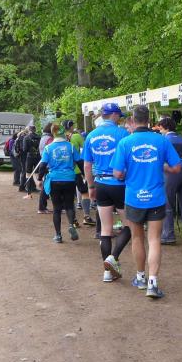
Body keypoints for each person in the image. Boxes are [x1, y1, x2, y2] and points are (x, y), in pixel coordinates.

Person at [111, 105, 182, 299]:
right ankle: (153, 283)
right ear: (149, 120)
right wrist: (163, 166)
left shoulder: (125, 142)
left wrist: (127, 173)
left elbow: (117, 173)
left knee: (137, 238)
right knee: (154, 239)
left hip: (134, 198)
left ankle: (140, 277)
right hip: (156, 197)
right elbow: (177, 168)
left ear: (133, 120)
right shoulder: (161, 140)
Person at [83, 102, 131, 283]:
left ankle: (107, 273)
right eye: (119, 116)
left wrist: (91, 187)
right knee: (129, 225)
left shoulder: (91, 135)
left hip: (100, 183)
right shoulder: (122, 134)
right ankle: (113, 257)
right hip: (119, 184)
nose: (120, 119)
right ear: (114, 115)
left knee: (105, 229)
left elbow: (87, 165)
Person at [35, 124, 80, 243]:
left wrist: (39, 179)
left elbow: (43, 165)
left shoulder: (48, 148)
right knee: (69, 205)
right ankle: (71, 225)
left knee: (56, 208)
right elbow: (80, 161)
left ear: (53, 133)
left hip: (54, 179)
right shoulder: (70, 147)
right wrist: (85, 176)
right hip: (69, 179)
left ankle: (58, 235)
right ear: (63, 133)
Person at [157, 116, 182, 244]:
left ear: (165, 128)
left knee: (167, 203)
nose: (159, 130)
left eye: (160, 128)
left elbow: (161, 158)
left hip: (171, 172)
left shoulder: (164, 140)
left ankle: (168, 235)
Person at [66, 120, 95, 226]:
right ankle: (86, 216)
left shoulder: (60, 138)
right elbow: (86, 148)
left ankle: (73, 220)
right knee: (84, 192)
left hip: (65, 172)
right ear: (71, 126)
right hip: (77, 170)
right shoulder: (76, 136)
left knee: (69, 196)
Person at [22, 125, 42, 199]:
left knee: (28, 175)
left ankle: (29, 194)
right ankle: (43, 193)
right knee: (38, 175)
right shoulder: (39, 137)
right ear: (35, 130)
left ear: (29, 130)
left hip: (30, 157)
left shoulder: (26, 137)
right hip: (38, 157)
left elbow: (24, 149)